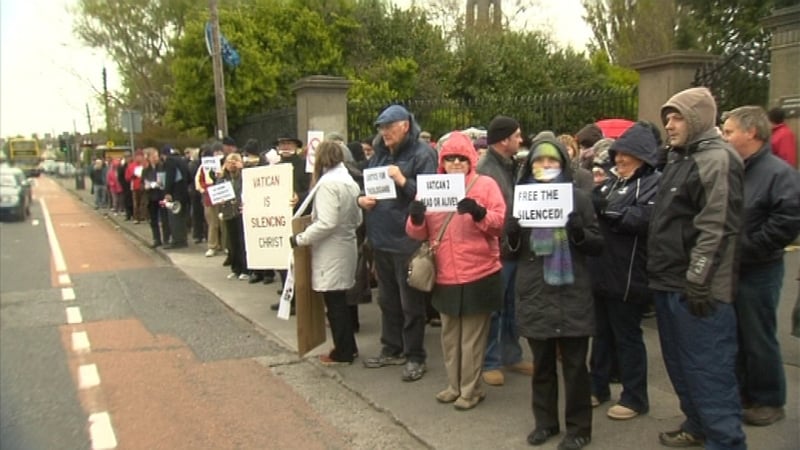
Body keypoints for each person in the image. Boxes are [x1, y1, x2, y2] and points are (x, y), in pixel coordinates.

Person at [648, 87, 746, 449]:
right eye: (667, 119)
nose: (669, 126)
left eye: (676, 118)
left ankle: (726, 441)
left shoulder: (717, 160)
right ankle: (696, 425)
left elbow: (717, 227)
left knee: (709, 373)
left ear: (696, 119)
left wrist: (699, 281)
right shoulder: (680, 158)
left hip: (698, 291)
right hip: (669, 282)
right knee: (681, 366)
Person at [513, 137, 602, 450]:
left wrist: (578, 232)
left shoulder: (578, 198)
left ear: (563, 164)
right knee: (542, 364)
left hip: (570, 290)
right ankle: (545, 422)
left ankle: (579, 428)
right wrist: (511, 234)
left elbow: (597, 244)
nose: (546, 166)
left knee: (576, 366)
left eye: (552, 161)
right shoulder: (520, 198)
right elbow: (510, 253)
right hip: (536, 289)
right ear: (531, 165)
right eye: (540, 161)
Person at [406, 131, 505, 410]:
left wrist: (479, 212)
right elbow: (419, 233)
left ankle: (470, 390)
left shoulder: (485, 185)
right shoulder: (432, 187)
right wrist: (415, 217)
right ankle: (455, 385)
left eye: (462, 158)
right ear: (443, 162)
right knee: (450, 336)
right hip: (446, 271)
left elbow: (499, 224)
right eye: (450, 159)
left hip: (479, 270)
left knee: (472, 339)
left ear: (471, 159)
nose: (456, 163)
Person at [721, 105, 800, 426]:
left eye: (728, 131)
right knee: (736, 334)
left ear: (751, 132)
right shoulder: (735, 168)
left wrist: (746, 248)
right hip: (735, 267)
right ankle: (744, 394)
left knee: (758, 335)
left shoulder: (779, 173)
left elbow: (787, 222)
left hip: (759, 269)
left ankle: (769, 400)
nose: (723, 137)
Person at [358, 104, 438, 382]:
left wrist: (403, 180)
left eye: (389, 127)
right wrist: (362, 200)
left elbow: (429, 196)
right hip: (380, 238)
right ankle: (391, 347)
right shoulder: (379, 153)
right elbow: (366, 187)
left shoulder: (423, 153)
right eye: (381, 127)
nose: (384, 132)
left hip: (407, 240)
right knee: (387, 299)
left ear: (405, 125)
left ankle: (415, 356)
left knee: (411, 303)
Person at [587, 123, 661, 421]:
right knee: (601, 334)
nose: (619, 160)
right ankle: (598, 386)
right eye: (617, 154)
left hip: (629, 274)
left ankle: (635, 397)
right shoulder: (612, 182)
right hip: (603, 270)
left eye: (625, 155)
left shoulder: (654, 182)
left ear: (642, 156)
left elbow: (642, 219)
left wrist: (606, 210)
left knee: (627, 337)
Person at [289, 141, 363, 365]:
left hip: (332, 249)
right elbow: (358, 218)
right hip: (347, 244)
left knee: (335, 304)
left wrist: (301, 238)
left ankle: (343, 352)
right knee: (341, 300)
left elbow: (327, 222)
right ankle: (348, 346)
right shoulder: (349, 181)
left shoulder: (328, 184)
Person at [476, 116, 533, 387]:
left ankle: (512, 354)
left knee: (511, 304)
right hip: (497, 250)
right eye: (517, 135)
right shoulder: (486, 170)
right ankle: (490, 361)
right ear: (503, 140)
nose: (521, 140)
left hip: (513, 247)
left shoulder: (510, 165)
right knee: (495, 307)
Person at [217, 153, 249, 280]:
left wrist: (242, 169)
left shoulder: (242, 176)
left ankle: (245, 269)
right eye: (229, 161)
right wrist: (220, 200)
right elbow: (218, 190)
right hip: (228, 212)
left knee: (242, 242)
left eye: (234, 161)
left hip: (239, 212)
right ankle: (235, 268)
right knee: (232, 242)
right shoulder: (223, 177)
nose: (231, 164)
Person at [195, 143, 224, 257]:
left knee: (223, 223)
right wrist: (203, 190)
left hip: (221, 196)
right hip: (208, 197)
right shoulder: (203, 167)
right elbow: (198, 181)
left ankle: (225, 245)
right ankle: (212, 246)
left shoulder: (223, 165)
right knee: (212, 223)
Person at [162, 145, 191, 249]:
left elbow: (170, 177)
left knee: (174, 217)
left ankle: (177, 241)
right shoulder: (182, 160)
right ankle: (183, 239)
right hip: (184, 193)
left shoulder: (169, 161)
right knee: (182, 217)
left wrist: (167, 192)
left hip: (174, 193)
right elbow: (189, 176)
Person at [141, 147, 170, 248]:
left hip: (161, 197)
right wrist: (148, 185)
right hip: (151, 198)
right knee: (153, 220)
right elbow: (143, 183)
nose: (155, 158)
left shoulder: (162, 167)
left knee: (164, 218)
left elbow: (163, 182)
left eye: (156, 156)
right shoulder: (145, 170)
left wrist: (155, 184)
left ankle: (166, 239)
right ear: (148, 158)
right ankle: (156, 239)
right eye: (153, 156)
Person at [126, 149, 147, 224]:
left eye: (140, 156)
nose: (139, 158)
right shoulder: (131, 166)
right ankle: (136, 217)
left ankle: (143, 216)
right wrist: (133, 176)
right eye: (137, 156)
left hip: (144, 186)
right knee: (136, 203)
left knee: (143, 202)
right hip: (135, 187)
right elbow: (127, 177)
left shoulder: (145, 164)